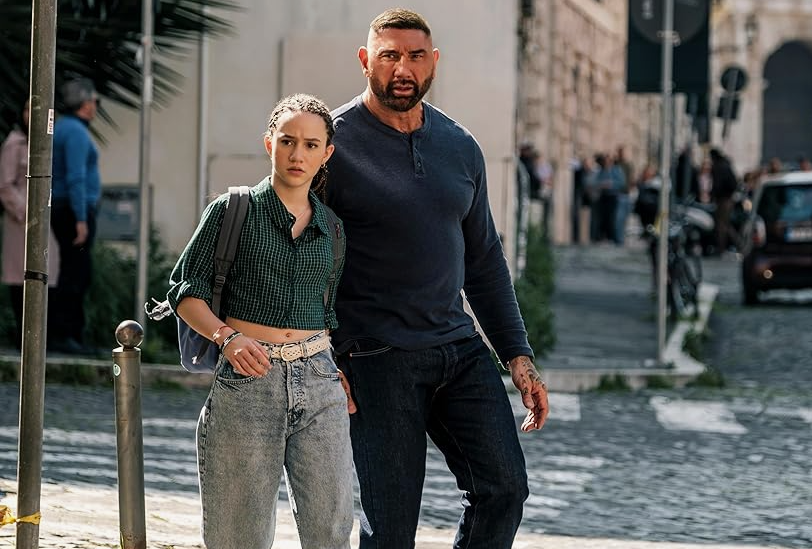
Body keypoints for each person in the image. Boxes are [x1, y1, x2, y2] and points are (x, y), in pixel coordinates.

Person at [324, 8, 549, 548]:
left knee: (503, 489)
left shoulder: (460, 145)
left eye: (416, 56)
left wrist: (517, 355)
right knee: (390, 530)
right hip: (375, 357)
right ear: (365, 61)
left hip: (457, 349)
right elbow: (300, 258)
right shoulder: (331, 143)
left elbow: (485, 259)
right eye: (389, 56)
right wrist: (323, 353)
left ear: (434, 62)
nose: (403, 69)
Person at [167, 94, 353, 549]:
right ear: (269, 143)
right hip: (249, 378)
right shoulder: (233, 211)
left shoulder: (332, 227)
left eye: (311, 145)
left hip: (320, 381)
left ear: (326, 153)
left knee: (331, 532)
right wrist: (226, 337)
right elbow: (184, 291)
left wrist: (336, 370)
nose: (297, 154)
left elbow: (327, 310)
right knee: (239, 536)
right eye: (287, 141)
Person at [0, 99, 59, 349]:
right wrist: (27, 212)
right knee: (19, 275)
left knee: (48, 270)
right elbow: (5, 185)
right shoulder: (14, 143)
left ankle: (42, 335)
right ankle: (22, 337)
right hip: (20, 220)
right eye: (27, 110)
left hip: (44, 218)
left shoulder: (47, 143)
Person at [50, 77, 101, 354]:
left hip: (64, 208)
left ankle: (67, 335)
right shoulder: (76, 132)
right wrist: (81, 219)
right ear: (85, 103)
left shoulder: (62, 127)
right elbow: (76, 177)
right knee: (76, 274)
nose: (95, 106)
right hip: (73, 211)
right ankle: (67, 336)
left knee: (72, 271)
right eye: (94, 101)